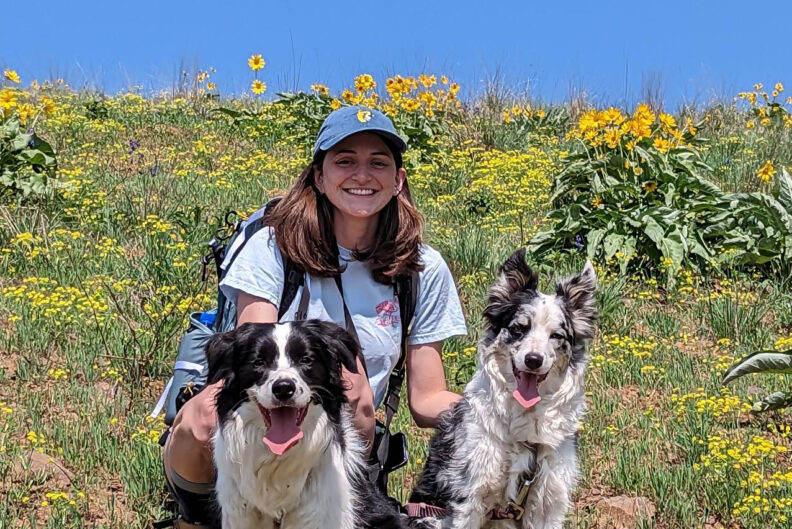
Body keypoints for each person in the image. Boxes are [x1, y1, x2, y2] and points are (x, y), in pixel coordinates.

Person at [162, 105, 467, 527]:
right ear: (319, 177)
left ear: (398, 181)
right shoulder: (273, 246)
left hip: (339, 439)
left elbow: (427, 399)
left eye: (378, 162)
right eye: (345, 161)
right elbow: (251, 349)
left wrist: (503, 409)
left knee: (355, 393)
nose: (362, 175)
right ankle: (198, 519)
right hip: (257, 425)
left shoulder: (422, 268)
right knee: (204, 415)